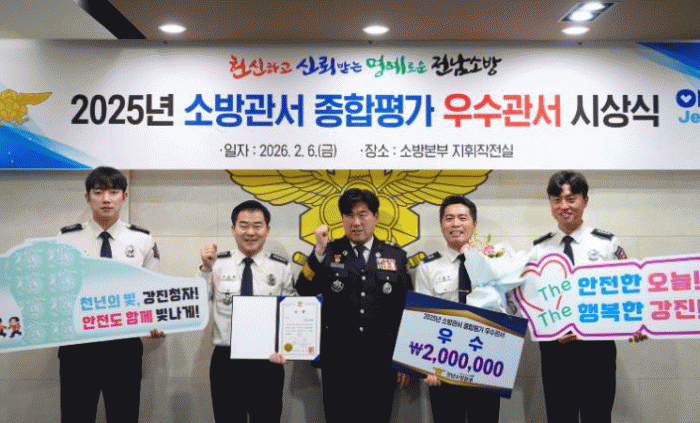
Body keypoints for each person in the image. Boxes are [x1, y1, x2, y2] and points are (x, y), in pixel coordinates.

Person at [531, 170, 645, 423]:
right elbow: (533, 301)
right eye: (557, 200)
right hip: (556, 350)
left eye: (571, 199)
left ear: (585, 200)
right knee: (560, 416)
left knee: (598, 415)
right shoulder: (539, 249)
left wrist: (636, 323)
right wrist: (550, 330)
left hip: (597, 349)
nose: (564, 206)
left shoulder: (606, 244)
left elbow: (629, 290)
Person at [295, 188, 413, 423]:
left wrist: (405, 361)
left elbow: (406, 309)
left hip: (382, 360)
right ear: (342, 219)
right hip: (338, 360)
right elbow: (303, 289)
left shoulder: (395, 256)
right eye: (349, 215)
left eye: (363, 214)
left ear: (376, 217)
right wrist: (318, 252)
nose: (356, 222)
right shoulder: (328, 251)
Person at [57, 166, 163, 423]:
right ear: (87, 197)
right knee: (76, 416)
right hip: (78, 345)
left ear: (124, 196)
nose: (106, 199)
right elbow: (56, 291)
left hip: (123, 346)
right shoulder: (66, 239)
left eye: (114, 192)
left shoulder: (142, 240)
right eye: (98, 192)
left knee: (124, 415)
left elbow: (153, 291)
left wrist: (157, 320)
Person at [415, 195, 524, 423]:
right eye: (449, 219)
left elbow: (513, 306)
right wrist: (428, 366)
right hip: (443, 367)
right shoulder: (429, 267)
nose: (456, 224)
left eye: (462, 218)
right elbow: (422, 320)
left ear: (474, 224)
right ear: (441, 225)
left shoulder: (495, 261)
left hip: (485, 365)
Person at [198, 200, 295, 423]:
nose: (250, 232)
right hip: (227, 361)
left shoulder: (281, 268)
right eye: (243, 226)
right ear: (233, 229)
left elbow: (290, 315)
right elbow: (198, 304)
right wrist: (205, 269)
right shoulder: (216, 264)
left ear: (267, 229)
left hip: (268, 361)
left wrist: (287, 348)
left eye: (257, 226)